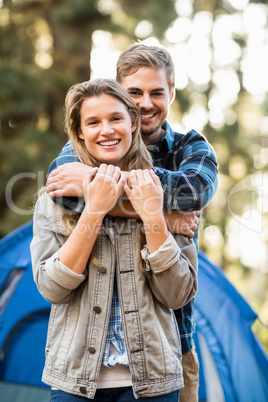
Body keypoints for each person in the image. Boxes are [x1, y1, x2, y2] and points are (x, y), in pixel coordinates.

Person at [46, 43, 218, 402]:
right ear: (120, 97)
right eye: (134, 93)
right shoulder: (80, 148)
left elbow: (195, 190)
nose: (146, 102)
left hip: (172, 340)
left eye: (157, 92)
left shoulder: (190, 147)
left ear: (171, 93)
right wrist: (159, 212)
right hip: (86, 352)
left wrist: (103, 186)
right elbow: (63, 191)